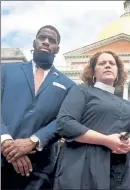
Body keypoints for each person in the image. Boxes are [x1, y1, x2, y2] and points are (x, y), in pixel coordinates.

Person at [53, 50, 130, 189]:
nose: (108, 65)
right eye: (102, 63)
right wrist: (107, 140)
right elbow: (64, 123)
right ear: (93, 72)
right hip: (83, 168)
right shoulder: (82, 92)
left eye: (112, 63)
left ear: (118, 72)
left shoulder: (128, 105)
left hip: (120, 173)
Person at [1, 25, 75, 189]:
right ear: (35, 42)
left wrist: (33, 141)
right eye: (42, 37)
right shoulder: (6, 70)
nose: (46, 42)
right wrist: (6, 143)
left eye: (52, 40)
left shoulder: (68, 85)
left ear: (57, 49)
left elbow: (63, 120)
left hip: (38, 170)